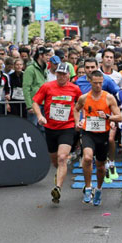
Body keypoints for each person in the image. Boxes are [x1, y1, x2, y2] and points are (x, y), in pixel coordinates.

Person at [31, 62, 82, 205]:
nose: (61, 76)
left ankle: (58, 188)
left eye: (64, 74)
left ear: (68, 76)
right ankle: (58, 175)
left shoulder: (75, 89)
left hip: (67, 127)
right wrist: (40, 116)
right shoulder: (47, 86)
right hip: (50, 128)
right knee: (55, 161)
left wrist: (79, 120)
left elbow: (81, 104)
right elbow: (35, 102)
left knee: (62, 157)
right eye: (58, 73)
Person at [74, 70, 122, 207]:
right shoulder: (84, 98)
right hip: (88, 132)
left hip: (103, 134)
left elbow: (119, 117)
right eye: (95, 83)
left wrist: (108, 117)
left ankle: (99, 189)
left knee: (101, 167)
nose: (98, 86)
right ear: (90, 82)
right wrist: (78, 122)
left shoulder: (109, 98)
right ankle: (88, 188)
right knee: (88, 158)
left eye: (100, 83)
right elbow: (76, 109)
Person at [23, 47, 51, 129]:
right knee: (33, 128)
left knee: (43, 128)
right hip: (34, 103)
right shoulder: (30, 69)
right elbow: (26, 88)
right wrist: (29, 105)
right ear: (40, 55)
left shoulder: (45, 67)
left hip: (44, 102)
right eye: (46, 55)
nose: (48, 57)